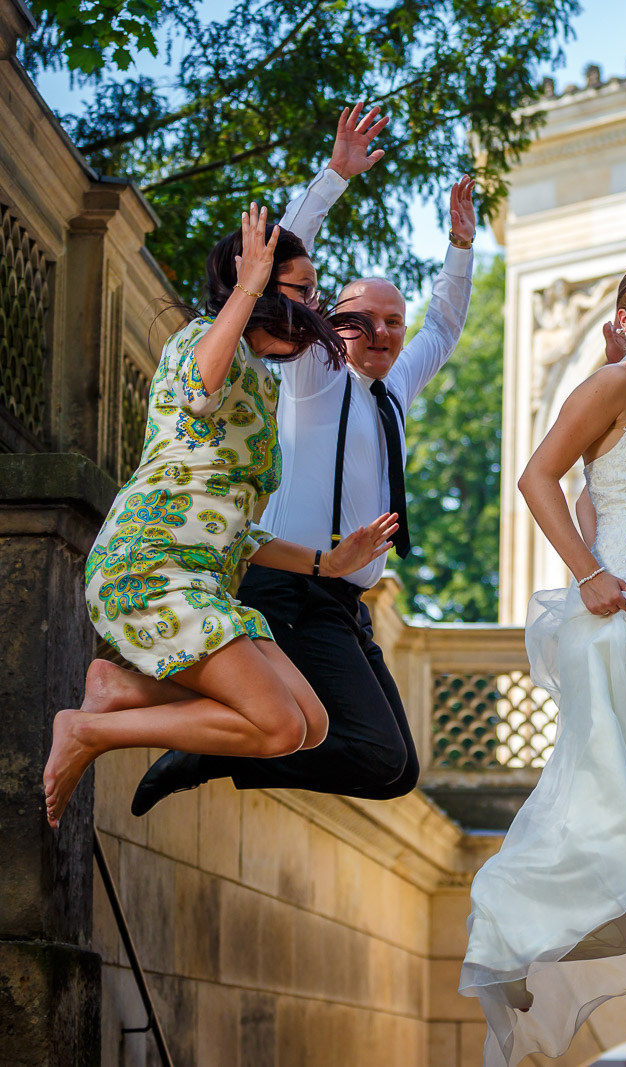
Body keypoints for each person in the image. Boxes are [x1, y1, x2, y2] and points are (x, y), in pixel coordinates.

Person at [128, 105, 477, 814]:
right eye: (358, 318)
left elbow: (443, 323)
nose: (378, 332)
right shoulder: (314, 373)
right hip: (286, 588)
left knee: (396, 768)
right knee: (375, 752)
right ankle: (205, 742)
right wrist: (334, 177)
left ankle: (214, 747)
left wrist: (461, 247)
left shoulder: (396, 388)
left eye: (391, 323)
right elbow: (282, 265)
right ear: (325, 323)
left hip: (347, 599)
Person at [460, 259, 626, 1064]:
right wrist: (588, 572)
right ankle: (509, 918)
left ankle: (531, 933)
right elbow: (535, 474)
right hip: (619, 611)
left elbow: (595, 485)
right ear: (624, 317)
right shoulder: (613, 385)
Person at [44, 205, 397, 828]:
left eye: (315, 293)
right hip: (149, 568)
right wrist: (249, 288)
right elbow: (198, 387)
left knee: (310, 726)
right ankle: (87, 731)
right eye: (303, 292)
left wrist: (326, 563)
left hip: (204, 577)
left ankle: (119, 691)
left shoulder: (261, 383)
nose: (315, 308)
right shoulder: (201, 342)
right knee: (279, 724)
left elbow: (240, 528)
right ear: (253, 286)